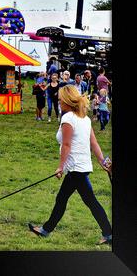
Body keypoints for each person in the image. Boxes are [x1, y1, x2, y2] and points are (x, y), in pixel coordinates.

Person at [29, 85, 112, 245]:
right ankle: (46, 229)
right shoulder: (85, 119)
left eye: (60, 99)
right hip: (81, 167)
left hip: (75, 168)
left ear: (68, 100)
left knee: (87, 201)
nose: (59, 102)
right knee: (68, 199)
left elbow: (66, 145)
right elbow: (93, 143)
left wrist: (61, 166)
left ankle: (108, 234)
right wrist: (102, 161)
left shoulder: (68, 118)